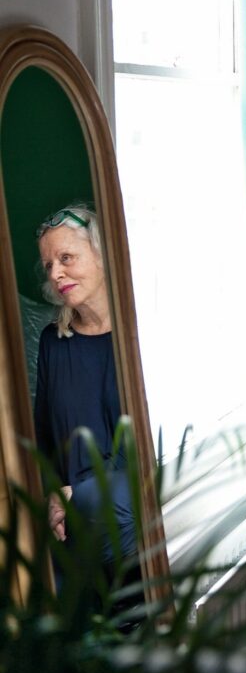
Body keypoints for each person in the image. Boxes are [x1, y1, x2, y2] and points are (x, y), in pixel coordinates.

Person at [34, 205, 142, 616]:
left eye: (67, 258)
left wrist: (74, 496)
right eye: (49, 265)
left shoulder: (140, 334)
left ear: (103, 254)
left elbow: (142, 454)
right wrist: (52, 496)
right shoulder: (53, 342)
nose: (55, 273)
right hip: (68, 521)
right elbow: (44, 435)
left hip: (126, 520)